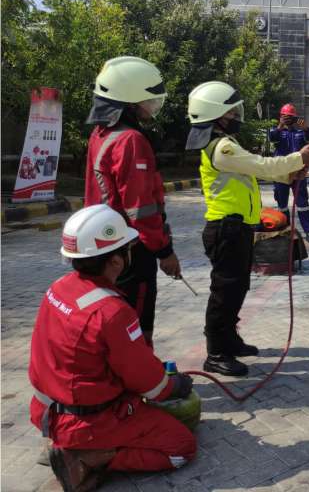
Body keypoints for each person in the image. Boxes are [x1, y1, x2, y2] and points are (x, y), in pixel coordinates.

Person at [29, 205, 196, 492]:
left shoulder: (57, 288)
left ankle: (68, 445)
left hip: (46, 412)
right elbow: (150, 384)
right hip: (87, 424)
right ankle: (89, 457)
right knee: (181, 447)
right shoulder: (112, 311)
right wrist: (174, 386)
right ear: (117, 261)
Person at [185, 82, 309, 376]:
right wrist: (298, 159)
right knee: (224, 292)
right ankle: (216, 352)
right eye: (230, 111)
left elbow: (252, 174)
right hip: (225, 229)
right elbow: (260, 165)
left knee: (237, 287)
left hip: (238, 228)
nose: (235, 115)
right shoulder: (222, 147)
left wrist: (292, 172)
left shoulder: (224, 143)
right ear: (217, 113)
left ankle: (229, 340)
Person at [84, 56, 181, 347]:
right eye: (147, 101)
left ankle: (118, 379)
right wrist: (165, 252)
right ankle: (142, 381)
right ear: (129, 102)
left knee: (110, 315)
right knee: (134, 319)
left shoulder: (100, 134)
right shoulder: (131, 140)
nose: (151, 108)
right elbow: (141, 210)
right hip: (130, 250)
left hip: (101, 243)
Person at [269, 104, 309, 243]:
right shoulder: (277, 132)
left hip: (298, 173)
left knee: (302, 204)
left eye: (290, 117)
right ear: (280, 117)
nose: (287, 119)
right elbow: (272, 137)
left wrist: (305, 127)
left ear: (295, 117)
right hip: (281, 173)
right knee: (282, 204)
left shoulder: (300, 132)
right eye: (285, 116)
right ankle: (285, 230)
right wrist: (280, 126)